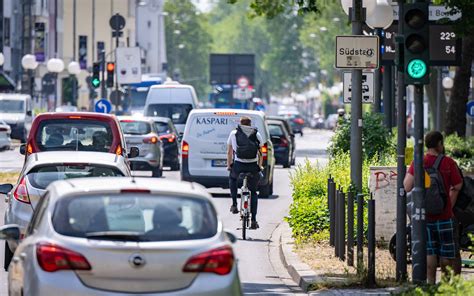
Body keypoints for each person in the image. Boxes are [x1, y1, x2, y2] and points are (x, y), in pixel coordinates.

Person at [403, 131, 463, 284]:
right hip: (445, 216)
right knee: (447, 252)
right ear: (439, 144)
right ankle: (445, 285)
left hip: (425, 216)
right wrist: (449, 203)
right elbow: (457, 185)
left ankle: (430, 283)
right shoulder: (448, 162)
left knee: (429, 251)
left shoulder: (418, 162)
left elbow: (406, 186)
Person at [227, 116, 263, 229]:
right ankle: (253, 220)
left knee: (232, 178)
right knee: (253, 191)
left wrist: (229, 165)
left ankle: (234, 204)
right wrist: (260, 166)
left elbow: (229, 152)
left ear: (240, 124)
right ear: (250, 124)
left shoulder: (234, 133)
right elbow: (261, 153)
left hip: (239, 165)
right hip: (252, 166)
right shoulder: (256, 134)